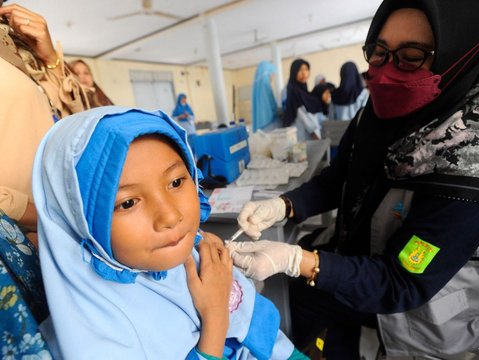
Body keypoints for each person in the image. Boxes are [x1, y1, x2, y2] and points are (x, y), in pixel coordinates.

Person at [227, 0, 479, 358]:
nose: (389, 70)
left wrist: (296, 260)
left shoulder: (467, 162)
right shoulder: (373, 117)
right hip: (354, 262)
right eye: (378, 51)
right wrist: (283, 206)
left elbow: (400, 281)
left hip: (416, 309)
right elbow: (337, 179)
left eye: (411, 55)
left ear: (458, 58)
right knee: (294, 304)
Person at [32, 106, 307, 359]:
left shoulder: (195, 257)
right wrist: (215, 320)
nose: (171, 216)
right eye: (128, 203)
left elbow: (267, 336)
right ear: (79, 222)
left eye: (176, 182)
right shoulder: (95, 335)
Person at [0, 2, 89, 246]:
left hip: (63, 221)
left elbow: (79, 124)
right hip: (24, 236)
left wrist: (50, 59)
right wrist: (42, 216)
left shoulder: (18, 41)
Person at [282, 58, 325, 141]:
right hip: (302, 134)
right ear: (294, 72)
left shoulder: (303, 90)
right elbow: (302, 115)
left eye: (306, 69)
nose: (304, 73)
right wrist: (314, 135)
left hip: (306, 134)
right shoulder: (293, 90)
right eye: (300, 70)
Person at [251, 61, 279, 132]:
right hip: (269, 124)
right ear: (267, 73)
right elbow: (272, 107)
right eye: (272, 73)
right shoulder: (266, 85)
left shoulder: (257, 87)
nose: (273, 76)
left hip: (261, 126)